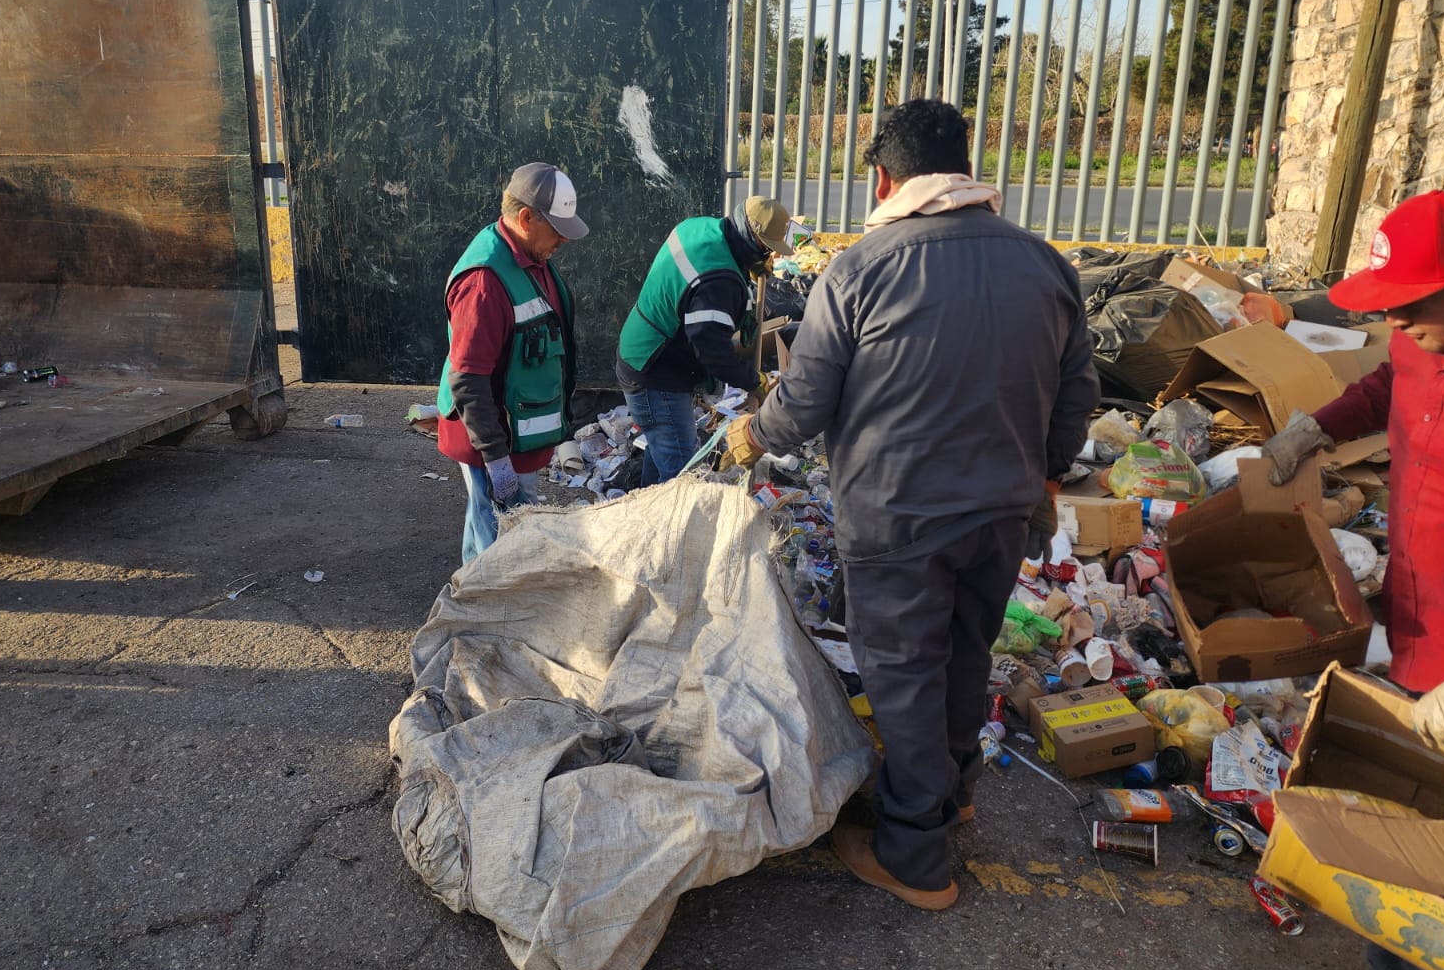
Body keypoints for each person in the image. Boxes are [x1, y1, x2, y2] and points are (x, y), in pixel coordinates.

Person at [720, 99, 1098, 911]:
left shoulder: (861, 270)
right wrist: (1047, 477)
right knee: (965, 655)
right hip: (1000, 513)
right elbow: (1077, 394)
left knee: (903, 680)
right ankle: (954, 791)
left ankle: (917, 855)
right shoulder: (1046, 265)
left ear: (885, 177)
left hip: (898, 520)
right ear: (966, 167)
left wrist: (756, 433)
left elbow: (807, 401)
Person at [1259, 192, 1444, 970]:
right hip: (1417, 637)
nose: (1397, 321)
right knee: (1400, 874)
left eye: (1411, 305)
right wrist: (1316, 426)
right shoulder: (1418, 341)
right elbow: (1388, 384)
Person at [436, 163, 587, 563]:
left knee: (484, 528)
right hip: (495, 442)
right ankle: (489, 621)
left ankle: (468, 597)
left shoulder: (531, 258)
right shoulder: (485, 283)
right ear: (525, 218)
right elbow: (468, 380)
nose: (563, 241)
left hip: (518, 439)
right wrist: (497, 462)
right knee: (504, 551)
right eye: (557, 229)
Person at [615, 196, 793, 484]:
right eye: (768, 250)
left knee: (662, 452)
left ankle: (643, 511)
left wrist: (746, 270)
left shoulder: (702, 228)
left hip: (642, 351)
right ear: (754, 242)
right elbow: (713, 352)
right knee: (681, 475)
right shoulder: (719, 282)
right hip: (655, 373)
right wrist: (753, 381)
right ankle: (673, 528)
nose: (770, 258)